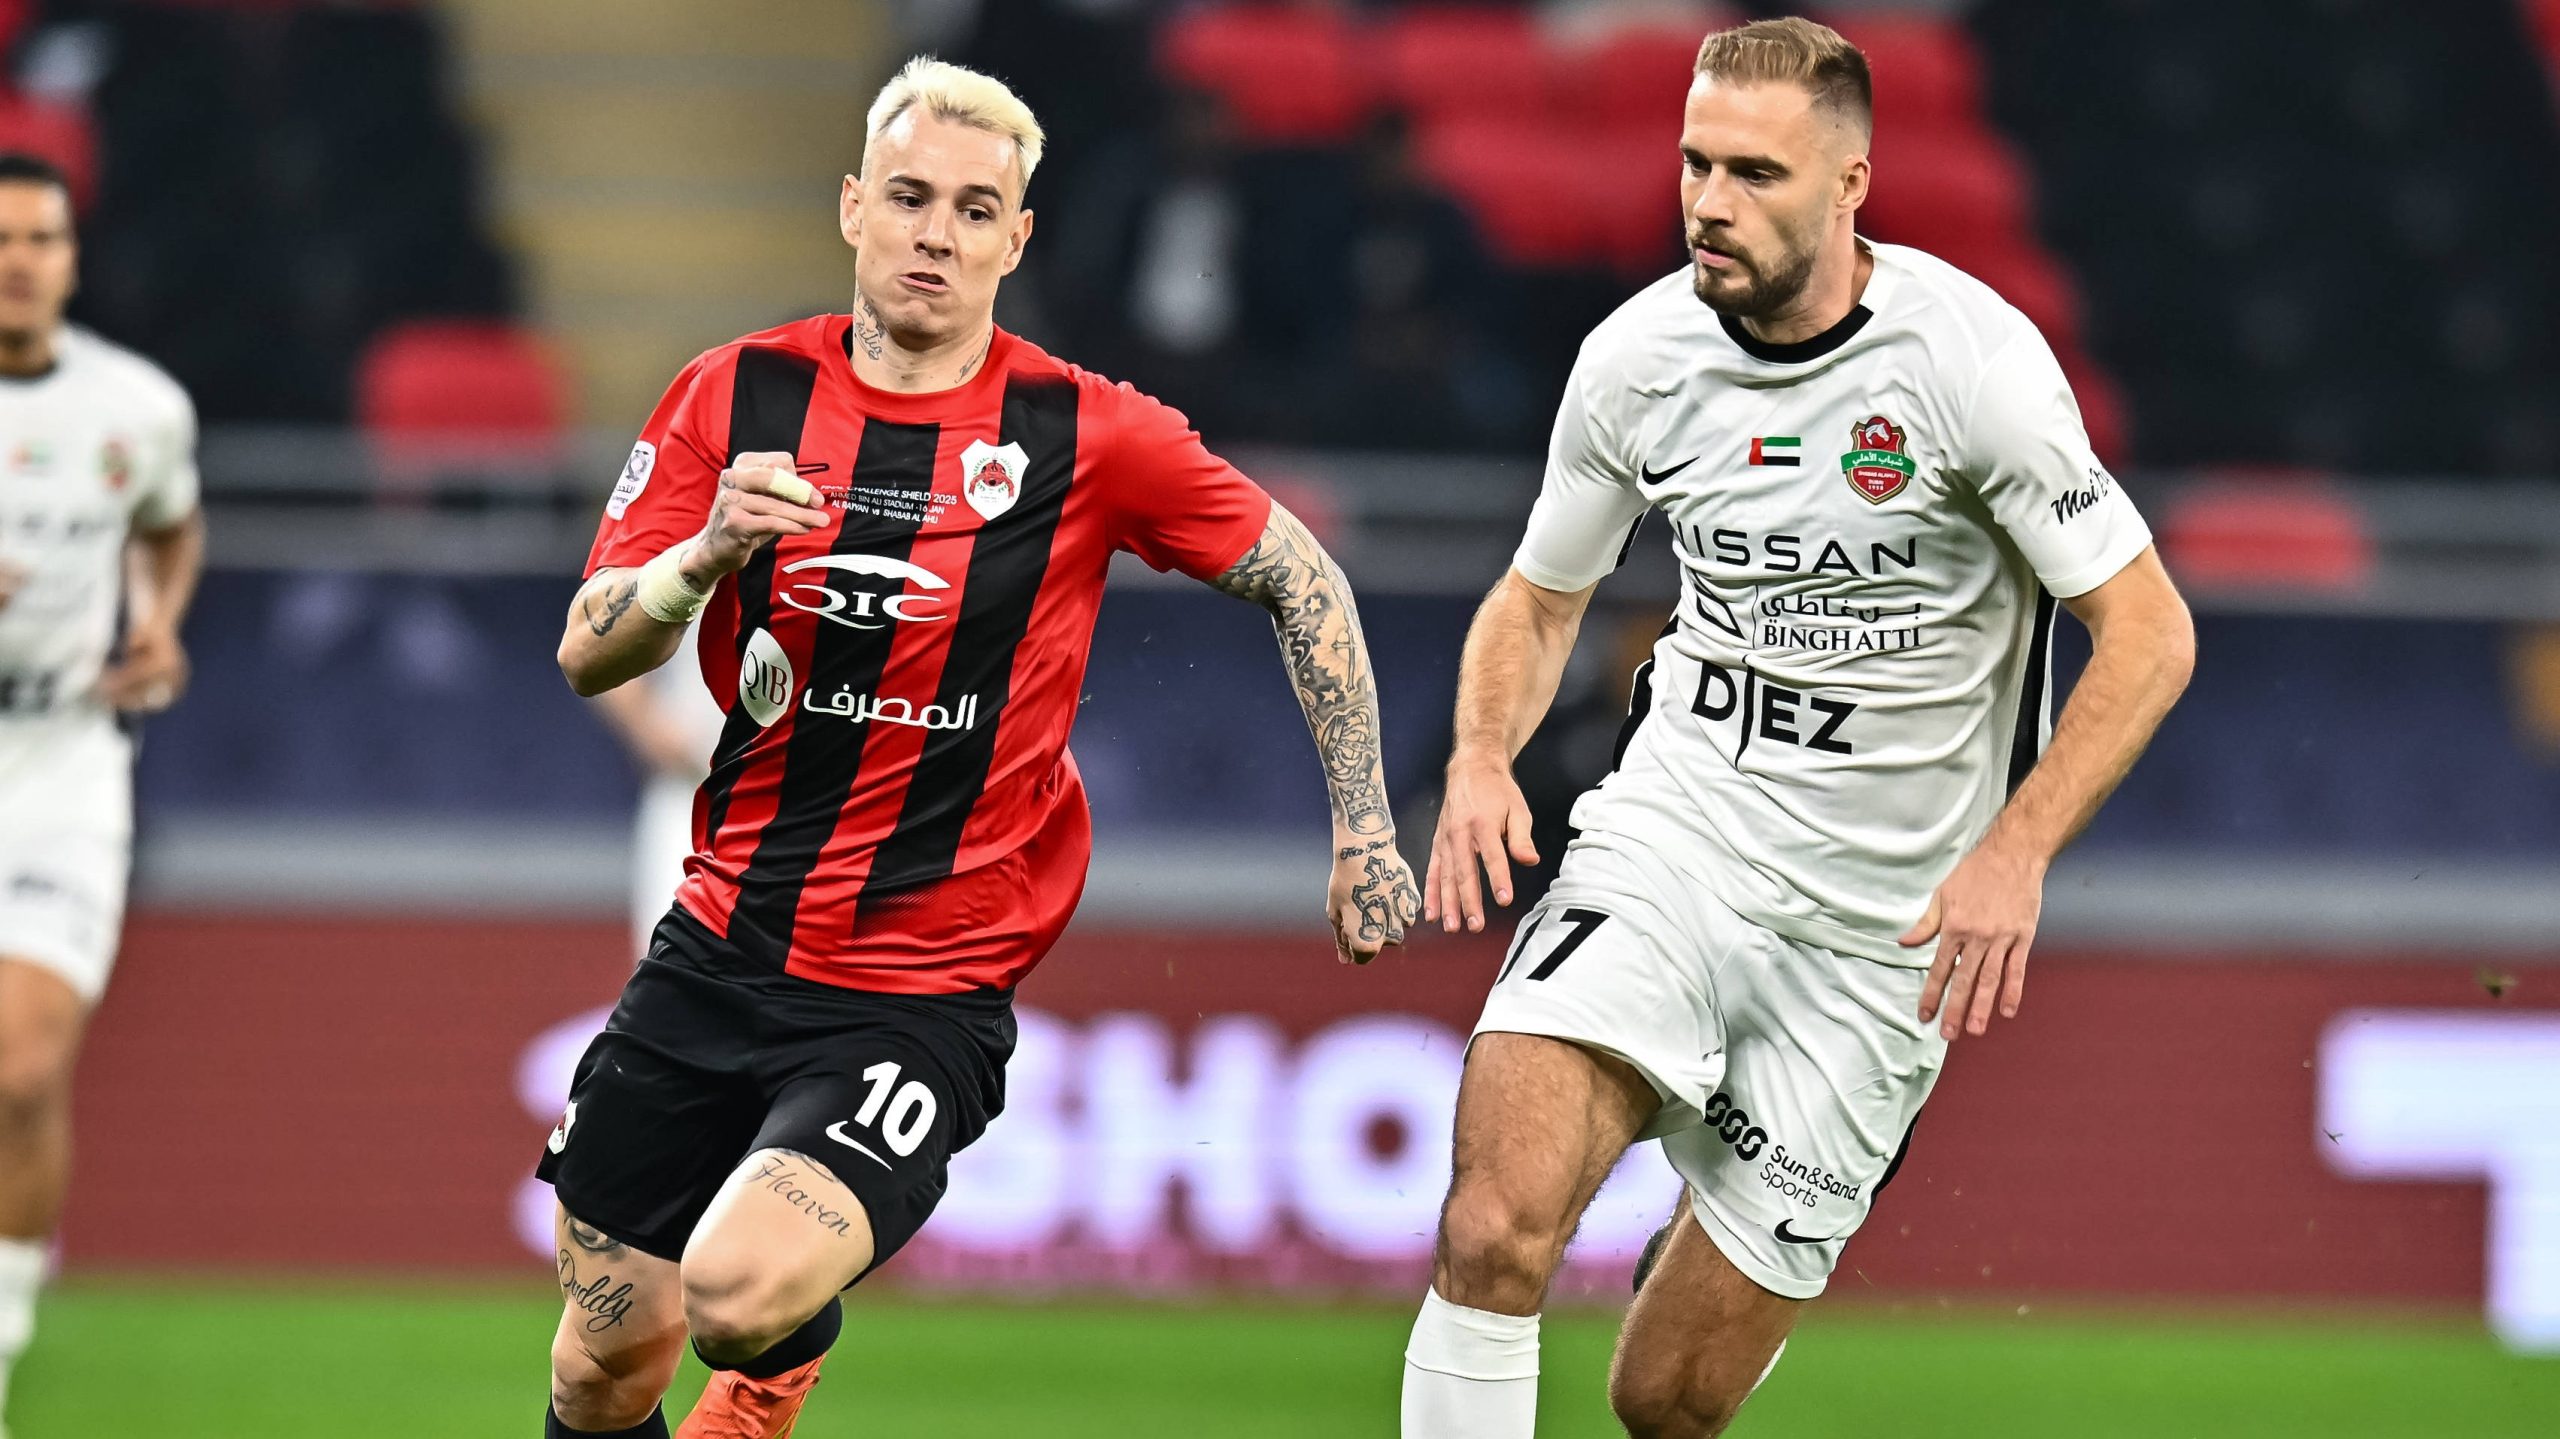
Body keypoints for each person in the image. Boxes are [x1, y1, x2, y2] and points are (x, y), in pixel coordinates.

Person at [536, 59, 1422, 1439]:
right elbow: (590, 647)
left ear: (1017, 237)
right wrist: (702, 554)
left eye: (973, 208)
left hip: (916, 989)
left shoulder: (1088, 432)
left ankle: (779, 1356)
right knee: (601, 1368)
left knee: (733, 1291)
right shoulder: (735, 392)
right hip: (716, 942)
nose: (935, 234)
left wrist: (1364, 824)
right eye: (908, 198)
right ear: (853, 208)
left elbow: (1304, 577)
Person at [1403, 19, 2195, 1438]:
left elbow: (2147, 632)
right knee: (1491, 1227)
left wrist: (2016, 852)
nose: (1709, 202)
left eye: (1755, 173)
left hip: (1877, 942)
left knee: (1667, 1400)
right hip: (1674, 844)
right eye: (1695, 163)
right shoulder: (1636, 358)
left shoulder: (1969, 364)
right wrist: (1478, 758)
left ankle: (1693, 1245)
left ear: (1850, 185)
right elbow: (1539, 595)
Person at [0, 152, 204, 1439]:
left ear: (73, 257)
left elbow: (171, 523)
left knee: (22, 1067)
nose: (20, 261)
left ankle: (1, 1337)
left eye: (42, 238)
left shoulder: (138, 407)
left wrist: (159, 624)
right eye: (0, 239)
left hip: (63, 759)